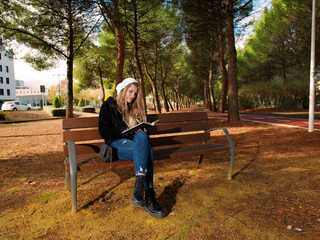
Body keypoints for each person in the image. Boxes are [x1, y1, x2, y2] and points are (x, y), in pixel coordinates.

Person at [98, 77, 165, 218]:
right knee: (149, 151)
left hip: (134, 144)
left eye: (135, 94)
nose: (132, 96)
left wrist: (143, 131)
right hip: (116, 144)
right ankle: (149, 196)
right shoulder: (109, 105)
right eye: (130, 92)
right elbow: (103, 132)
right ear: (123, 90)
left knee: (142, 137)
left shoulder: (134, 108)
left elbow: (139, 136)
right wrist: (124, 132)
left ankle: (139, 188)